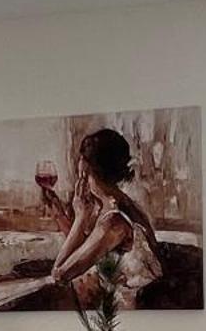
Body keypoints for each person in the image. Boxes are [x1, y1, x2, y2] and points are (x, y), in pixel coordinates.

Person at [37, 128, 164, 306]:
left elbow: (59, 274)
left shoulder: (113, 222)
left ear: (87, 171)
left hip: (130, 309)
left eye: (82, 173)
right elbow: (85, 250)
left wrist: (81, 217)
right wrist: (59, 214)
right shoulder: (124, 205)